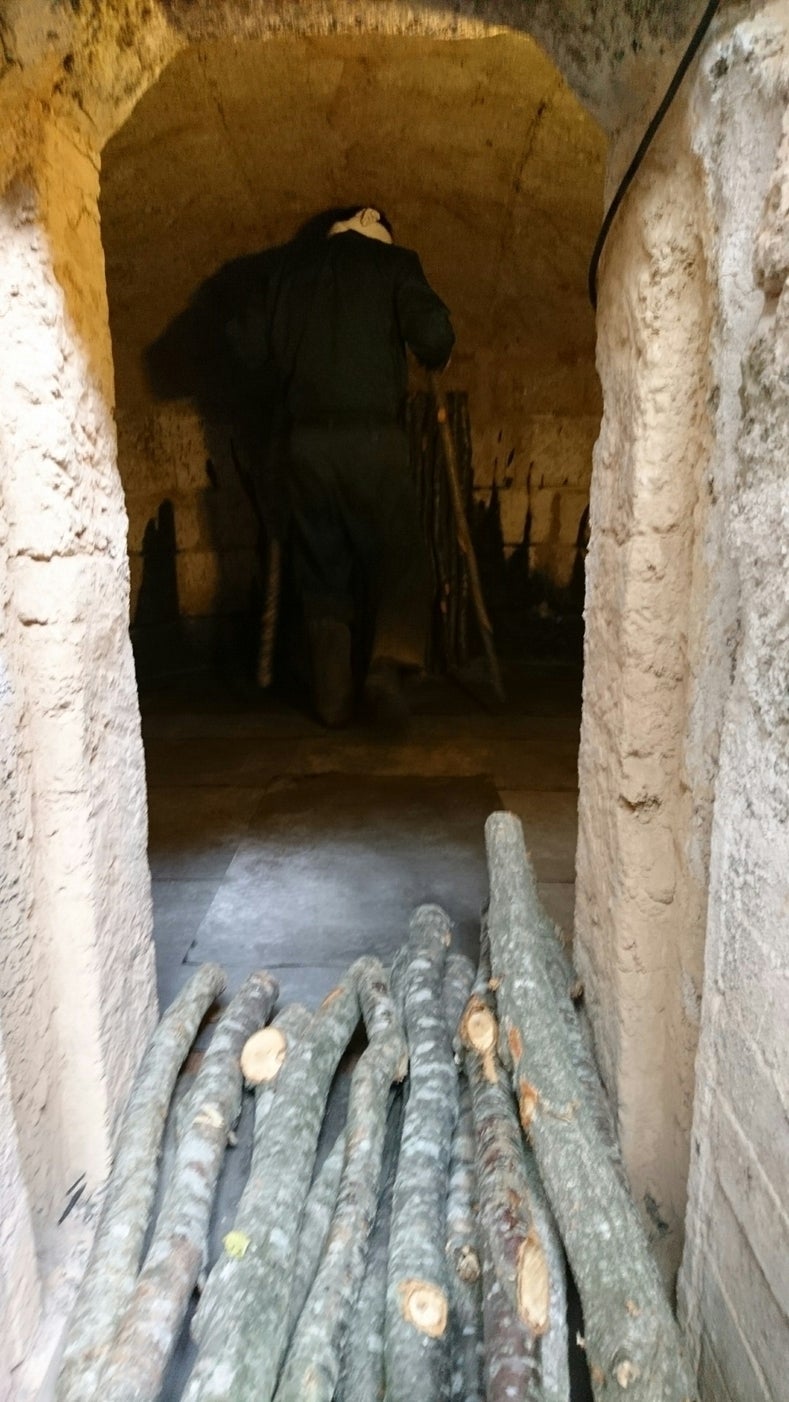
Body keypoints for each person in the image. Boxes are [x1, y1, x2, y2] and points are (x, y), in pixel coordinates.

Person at [253, 205, 455, 728]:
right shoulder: (395, 265)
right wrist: (433, 353)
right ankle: (388, 666)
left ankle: (332, 696)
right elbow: (434, 334)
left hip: (305, 444)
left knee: (322, 562)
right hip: (372, 438)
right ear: (378, 229)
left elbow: (246, 345)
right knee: (400, 553)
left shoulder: (287, 270)